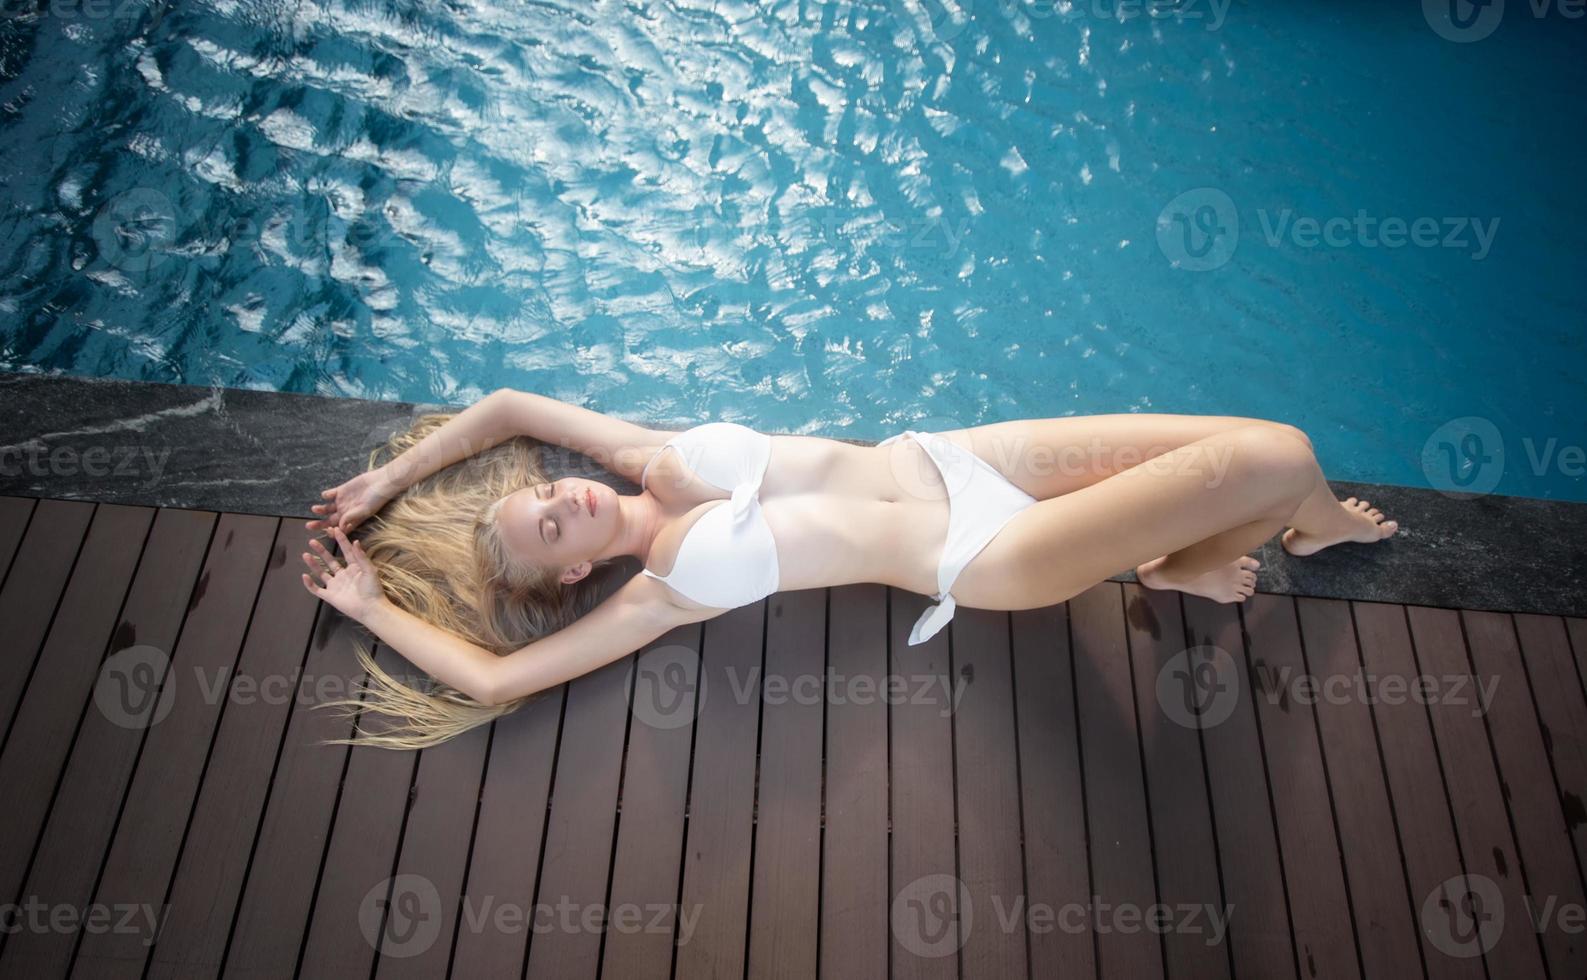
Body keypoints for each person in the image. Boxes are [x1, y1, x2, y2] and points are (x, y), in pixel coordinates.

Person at [300, 388, 1397, 747]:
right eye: (549, 531)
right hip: (982, 551)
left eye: (536, 493)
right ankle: (1285, 531)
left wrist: (382, 487)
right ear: (570, 577)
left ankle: (1220, 554)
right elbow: (494, 683)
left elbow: (504, 405)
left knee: (1247, 452)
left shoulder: (642, 460)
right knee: (1278, 454)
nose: (558, 499)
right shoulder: (660, 594)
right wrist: (363, 603)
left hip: (962, 459)